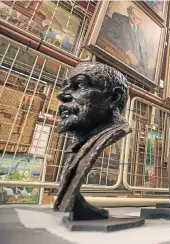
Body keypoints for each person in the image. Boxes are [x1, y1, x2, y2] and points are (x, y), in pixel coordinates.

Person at [53, 62, 131, 220]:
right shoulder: (80, 146)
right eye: (65, 86)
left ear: (114, 98)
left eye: (80, 84)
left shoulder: (105, 136)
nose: (62, 95)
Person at [101, 5, 154, 78]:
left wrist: (151, 57)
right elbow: (109, 33)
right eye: (133, 15)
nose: (135, 19)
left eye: (138, 18)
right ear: (129, 13)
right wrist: (127, 52)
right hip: (124, 65)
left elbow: (147, 46)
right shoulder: (119, 18)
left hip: (140, 68)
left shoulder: (140, 32)